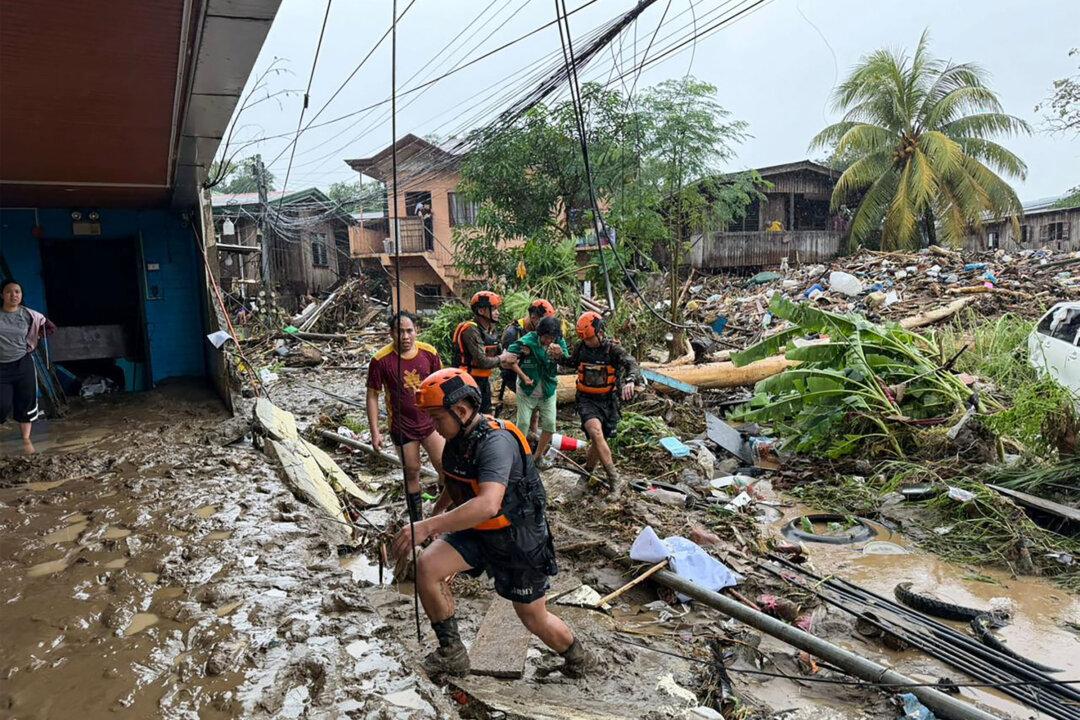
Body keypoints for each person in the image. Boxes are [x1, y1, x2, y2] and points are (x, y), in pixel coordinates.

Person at [391, 368, 596, 677]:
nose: (432, 426)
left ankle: (579, 657)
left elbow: (488, 504)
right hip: (476, 532)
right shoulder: (457, 437)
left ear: (461, 410)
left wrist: (429, 527)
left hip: (516, 537)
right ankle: (452, 652)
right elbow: (456, 481)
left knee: (532, 616)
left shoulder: (496, 442)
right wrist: (437, 513)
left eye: (436, 418)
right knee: (428, 567)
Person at [366, 311, 444, 522]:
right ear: (391, 333)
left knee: (445, 468)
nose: (405, 336)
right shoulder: (380, 360)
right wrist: (375, 432)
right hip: (403, 427)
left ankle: (442, 516)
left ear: (416, 331)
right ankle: (417, 523)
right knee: (412, 472)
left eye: (409, 331)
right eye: (400, 332)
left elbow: (442, 385)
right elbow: (372, 396)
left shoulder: (429, 353)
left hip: (431, 423)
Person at [558, 311, 638, 495]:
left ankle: (587, 473)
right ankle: (614, 480)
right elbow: (571, 362)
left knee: (598, 439)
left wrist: (631, 380)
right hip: (586, 400)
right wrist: (558, 356)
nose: (589, 343)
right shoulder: (582, 348)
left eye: (591, 338)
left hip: (608, 401)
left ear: (600, 333)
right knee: (595, 432)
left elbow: (631, 364)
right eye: (586, 339)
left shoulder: (613, 350)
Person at [503, 315, 568, 464]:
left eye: (552, 337)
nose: (549, 341)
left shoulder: (559, 342)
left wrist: (560, 354)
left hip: (548, 390)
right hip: (527, 391)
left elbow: (568, 359)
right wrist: (523, 375)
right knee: (523, 424)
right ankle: (518, 457)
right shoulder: (528, 341)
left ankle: (537, 456)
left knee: (550, 425)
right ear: (540, 334)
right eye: (546, 337)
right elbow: (508, 358)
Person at [1, 279, 54, 454]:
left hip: (23, 364)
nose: (13, 295)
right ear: (2, 295)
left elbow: (47, 327)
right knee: (2, 404)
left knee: (26, 400)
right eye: (9, 292)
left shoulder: (29, 315)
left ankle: (26, 441)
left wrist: (42, 329)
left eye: (17, 291)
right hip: (1, 367)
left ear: (21, 295)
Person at [498, 299, 556, 434]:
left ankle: (533, 435)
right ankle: (523, 438)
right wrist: (523, 365)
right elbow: (506, 362)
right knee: (528, 411)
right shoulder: (513, 332)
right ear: (534, 318)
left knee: (535, 413)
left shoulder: (540, 333)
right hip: (514, 376)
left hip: (533, 373)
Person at [451, 291, 502, 414]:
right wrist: (502, 358)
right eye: (494, 309)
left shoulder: (489, 331)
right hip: (468, 381)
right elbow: (482, 361)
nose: (497, 312)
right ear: (481, 311)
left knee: (486, 416)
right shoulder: (471, 329)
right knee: (472, 417)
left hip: (483, 381)